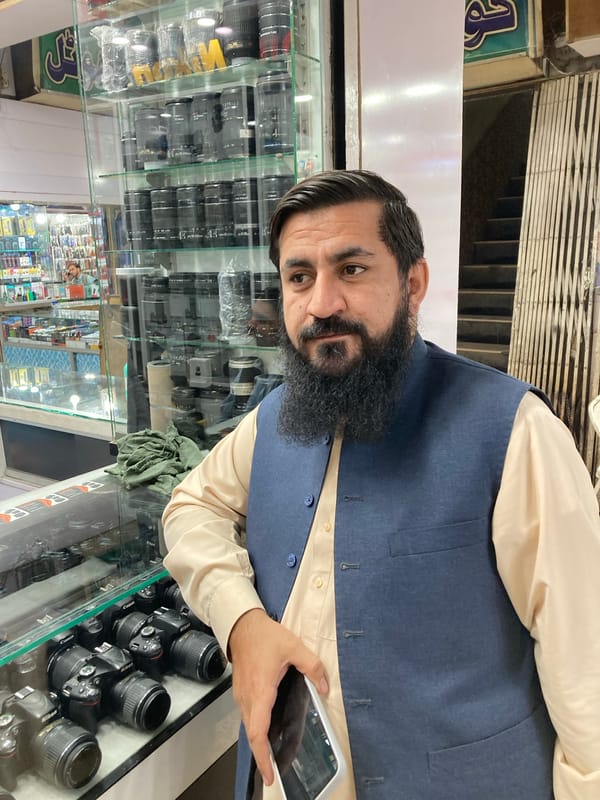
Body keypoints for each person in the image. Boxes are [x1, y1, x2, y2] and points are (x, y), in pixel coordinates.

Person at [162, 170, 600, 799]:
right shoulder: (274, 418)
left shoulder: (514, 433)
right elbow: (190, 507)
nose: (322, 304)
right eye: (300, 277)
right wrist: (241, 622)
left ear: (413, 283)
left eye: (353, 269)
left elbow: (587, 677)